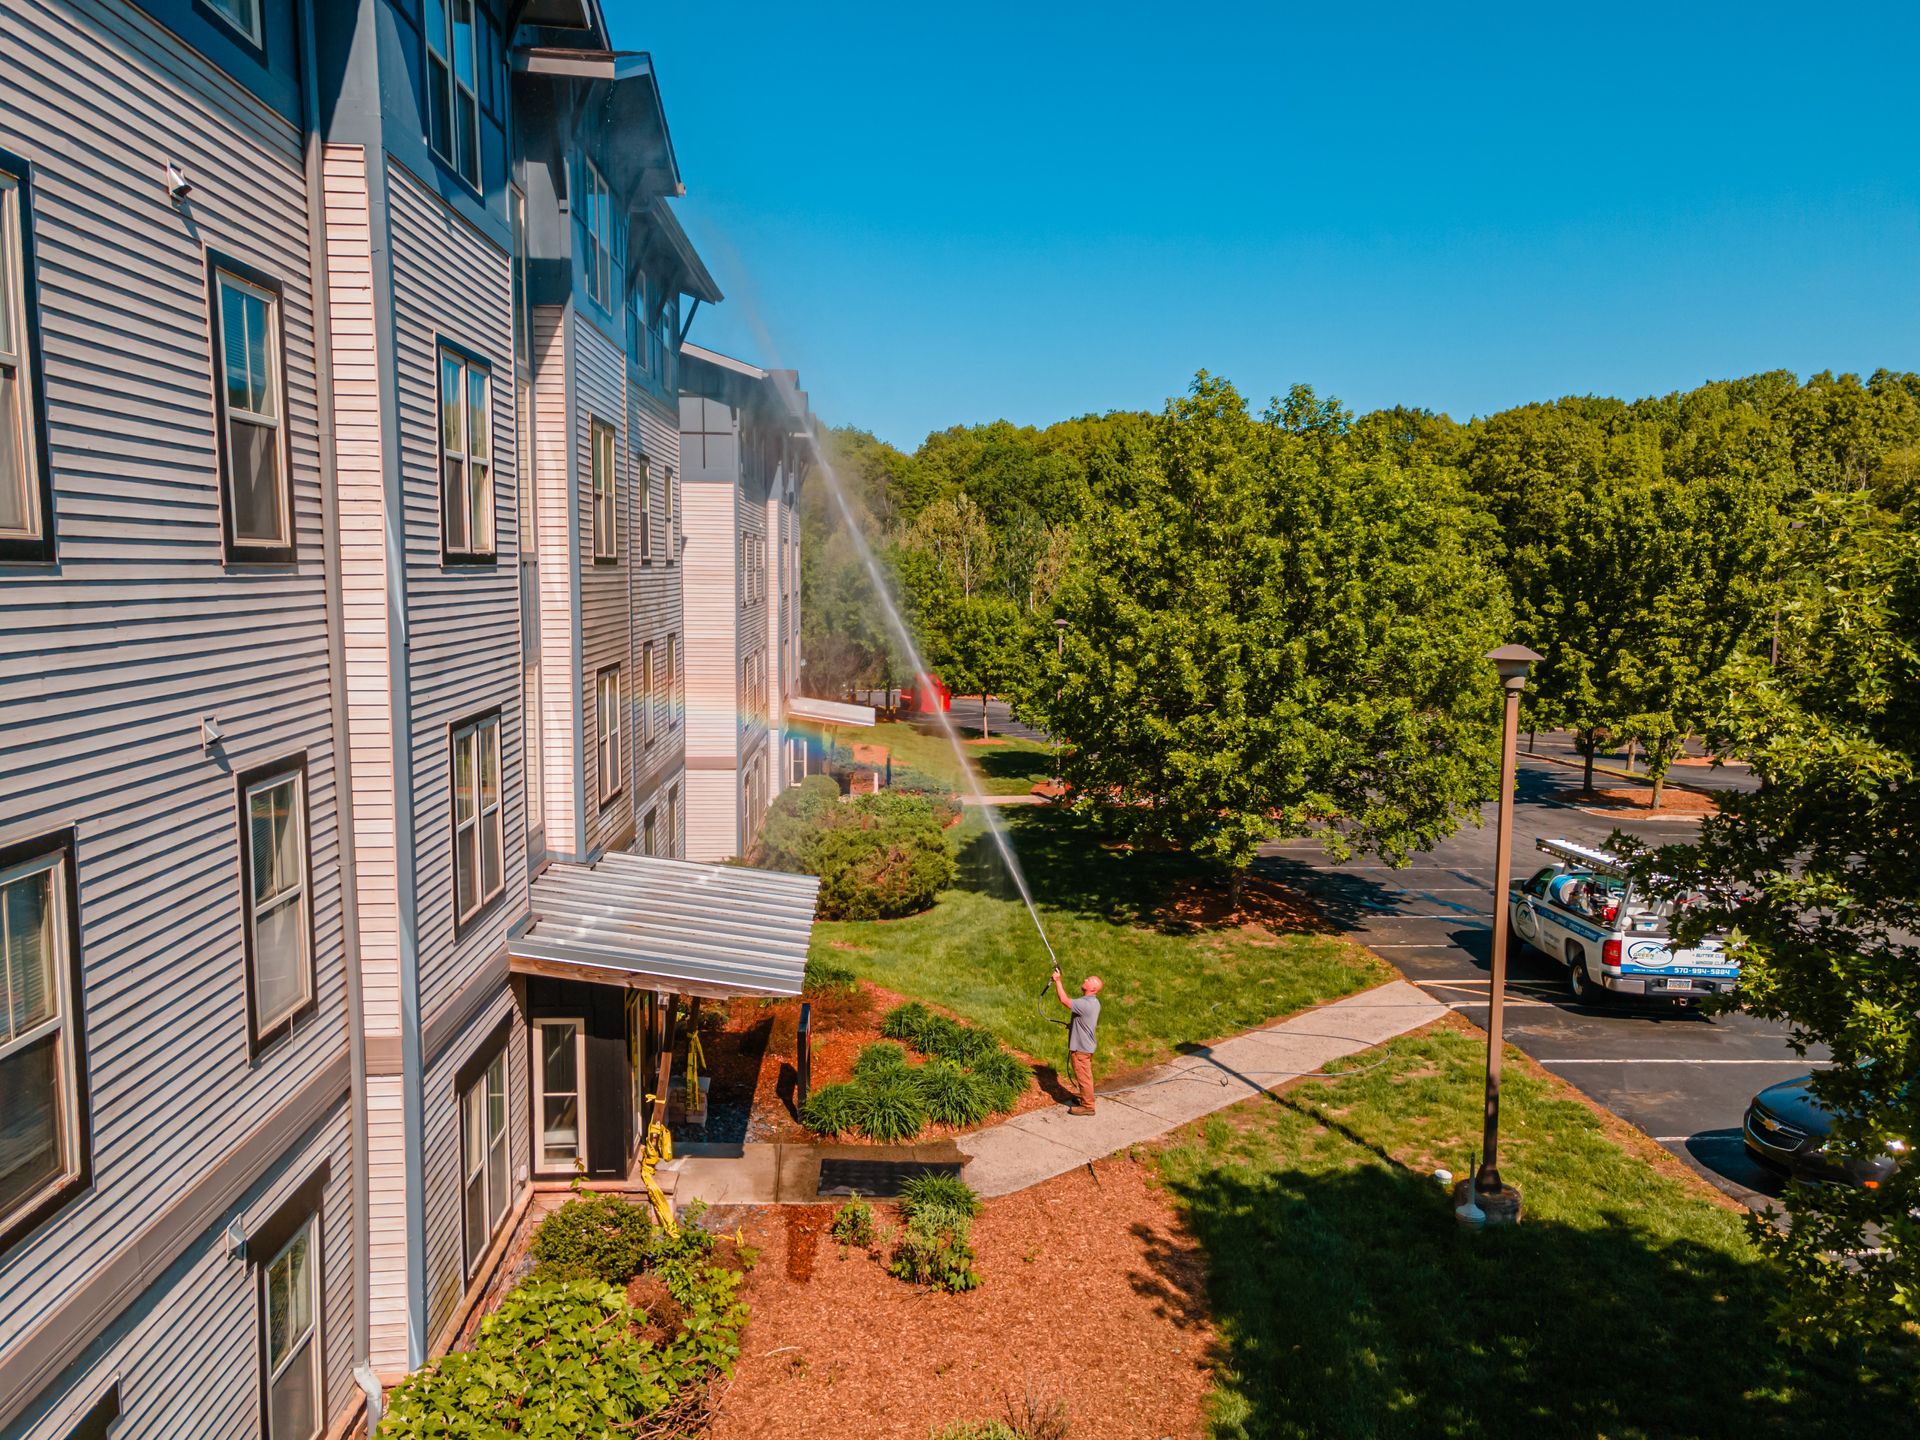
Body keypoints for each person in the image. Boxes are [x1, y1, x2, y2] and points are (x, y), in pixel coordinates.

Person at [1050, 965, 1103, 1115]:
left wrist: (1058, 981)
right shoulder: (1093, 1002)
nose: (1085, 979)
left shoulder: (1085, 1004)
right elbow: (1084, 1020)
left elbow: (1064, 1000)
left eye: (1089, 980)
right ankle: (1086, 1099)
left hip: (1081, 1049)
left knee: (1084, 1077)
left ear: (1093, 989)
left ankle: (1088, 1107)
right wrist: (1073, 1025)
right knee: (1084, 1076)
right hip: (1085, 1047)